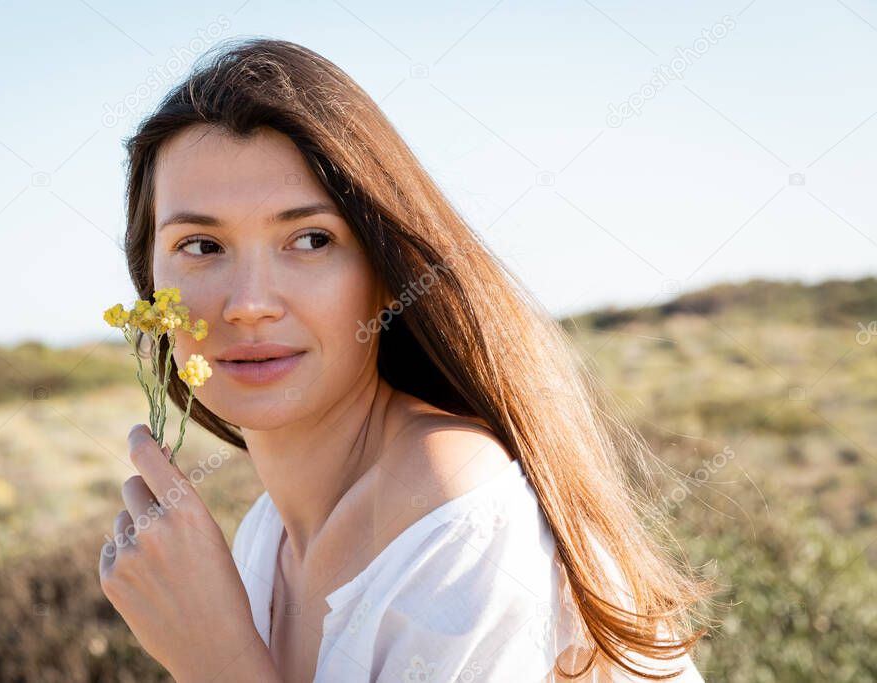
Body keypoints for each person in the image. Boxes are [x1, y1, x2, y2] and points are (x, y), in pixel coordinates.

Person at [99, 37, 712, 682]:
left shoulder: (457, 517)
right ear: (150, 286)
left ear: (386, 272)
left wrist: (216, 656)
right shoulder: (265, 537)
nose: (249, 304)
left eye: (310, 239)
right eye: (200, 245)